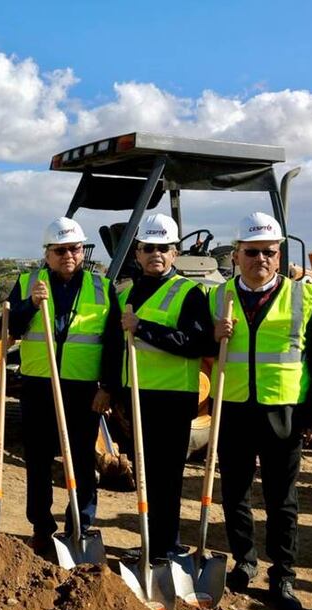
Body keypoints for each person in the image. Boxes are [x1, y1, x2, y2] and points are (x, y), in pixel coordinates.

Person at [211, 212, 312, 610]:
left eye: (268, 251)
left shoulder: (304, 297)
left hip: (283, 415)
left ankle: (282, 574)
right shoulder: (216, 297)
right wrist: (212, 337)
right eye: (252, 252)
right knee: (234, 494)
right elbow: (198, 348)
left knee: (281, 499)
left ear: (279, 254)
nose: (260, 259)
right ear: (236, 255)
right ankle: (244, 561)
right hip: (233, 411)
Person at [7, 217, 121, 555]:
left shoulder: (102, 287)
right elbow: (11, 328)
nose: (68, 255)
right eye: (60, 250)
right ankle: (41, 527)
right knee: (38, 459)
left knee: (82, 459)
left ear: (82, 251)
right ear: (47, 254)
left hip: (83, 388)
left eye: (74, 249)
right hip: (38, 385)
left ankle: (79, 525)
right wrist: (30, 304)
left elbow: (114, 343)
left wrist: (108, 387)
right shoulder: (28, 283)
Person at [118, 214, 213, 560]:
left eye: (163, 248)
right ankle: (151, 541)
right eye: (149, 248)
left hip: (172, 398)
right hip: (137, 396)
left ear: (175, 253)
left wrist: (143, 328)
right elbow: (117, 347)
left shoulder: (190, 292)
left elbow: (195, 343)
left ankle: (167, 545)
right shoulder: (127, 293)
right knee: (145, 474)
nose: (155, 254)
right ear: (138, 253)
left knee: (167, 478)